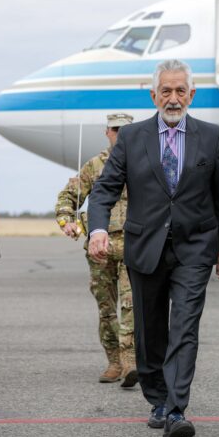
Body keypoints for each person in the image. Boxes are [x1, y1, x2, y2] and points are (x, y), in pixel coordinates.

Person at [87, 59, 219, 437]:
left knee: (184, 327)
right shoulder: (132, 137)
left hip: (195, 247)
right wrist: (98, 229)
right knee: (150, 331)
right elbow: (104, 189)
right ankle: (156, 396)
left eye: (180, 90)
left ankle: (176, 408)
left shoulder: (211, 135)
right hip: (145, 246)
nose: (173, 98)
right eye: (165, 91)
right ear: (154, 95)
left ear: (192, 94)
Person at [55, 113, 137, 388]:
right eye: (116, 130)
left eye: (126, 130)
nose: (121, 134)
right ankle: (114, 360)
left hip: (133, 246)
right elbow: (68, 196)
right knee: (106, 309)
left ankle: (130, 362)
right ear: (107, 132)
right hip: (99, 248)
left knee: (131, 306)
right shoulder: (95, 165)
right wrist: (67, 221)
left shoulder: (144, 162)